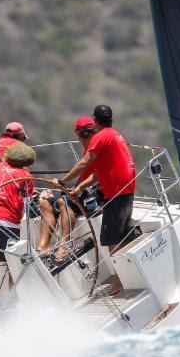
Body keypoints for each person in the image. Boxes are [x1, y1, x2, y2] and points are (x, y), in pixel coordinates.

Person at [56, 105, 136, 295]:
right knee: (118, 236)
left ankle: (121, 280)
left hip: (117, 192)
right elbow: (98, 174)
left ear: (95, 121)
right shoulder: (114, 134)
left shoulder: (100, 137)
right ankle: (125, 276)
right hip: (125, 190)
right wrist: (79, 187)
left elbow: (85, 163)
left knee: (111, 239)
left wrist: (62, 181)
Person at [37, 116, 96, 263]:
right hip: (82, 188)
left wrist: (64, 183)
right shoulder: (88, 150)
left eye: (87, 133)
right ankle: (42, 247)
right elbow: (83, 175)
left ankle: (65, 244)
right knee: (45, 200)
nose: (85, 137)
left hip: (95, 192)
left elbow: (93, 174)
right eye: (82, 134)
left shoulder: (96, 148)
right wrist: (67, 187)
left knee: (65, 201)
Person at [0, 142, 35, 292]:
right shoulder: (26, 176)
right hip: (9, 221)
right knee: (11, 261)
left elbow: (4, 161)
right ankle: (12, 293)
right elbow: (27, 200)